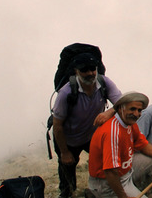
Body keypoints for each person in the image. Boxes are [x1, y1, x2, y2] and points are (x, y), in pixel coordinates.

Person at [51, 52, 122, 198]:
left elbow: (122, 103)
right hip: (68, 140)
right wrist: (64, 152)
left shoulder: (104, 83)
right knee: (67, 175)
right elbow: (57, 125)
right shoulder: (66, 93)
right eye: (84, 70)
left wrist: (110, 112)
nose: (90, 73)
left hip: (92, 136)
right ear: (76, 71)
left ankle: (99, 191)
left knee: (106, 163)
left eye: (92, 69)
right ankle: (68, 193)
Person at [87, 91, 152, 198]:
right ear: (120, 108)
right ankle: (97, 194)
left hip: (126, 175)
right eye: (132, 109)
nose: (136, 114)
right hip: (106, 184)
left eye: (139, 110)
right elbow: (110, 171)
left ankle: (151, 194)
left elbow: (143, 144)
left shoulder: (129, 124)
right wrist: (123, 196)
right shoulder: (112, 132)